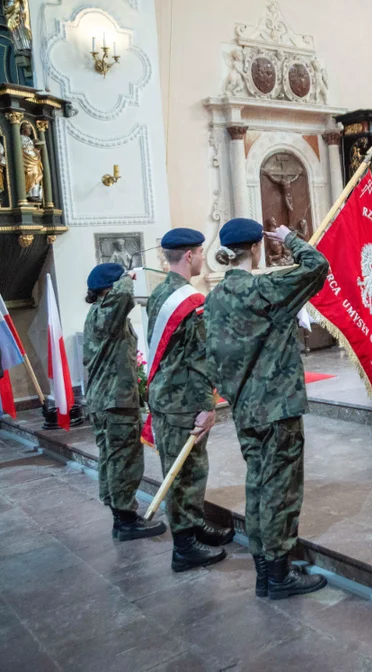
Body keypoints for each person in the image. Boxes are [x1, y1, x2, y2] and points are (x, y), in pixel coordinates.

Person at [204, 218, 330, 600]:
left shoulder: (216, 297)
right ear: (256, 247)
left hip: (245, 407)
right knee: (281, 490)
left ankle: (264, 569)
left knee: (258, 485)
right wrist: (290, 239)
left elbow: (212, 356)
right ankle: (279, 574)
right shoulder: (265, 288)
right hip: (277, 407)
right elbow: (318, 266)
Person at [145, 228, 232, 572]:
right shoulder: (190, 302)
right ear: (190, 255)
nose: (200, 258)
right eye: (199, 252)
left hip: (166, 394)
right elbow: (199, 359)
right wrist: (206, 406)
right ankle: (184, 546)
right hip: (183, 399)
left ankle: (194, 526)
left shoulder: (160, 293)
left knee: (191, 467)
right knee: (184, 473)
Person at [82, 263, 166, 541]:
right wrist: (128, 277)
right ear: (109, 289)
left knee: (112, 458)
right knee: (123, 461)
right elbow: (124, 296)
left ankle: (121, 516)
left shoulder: (102, 313)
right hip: (114, 401)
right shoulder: (107, 311)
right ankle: (127, 520)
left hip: (108, 399)